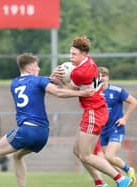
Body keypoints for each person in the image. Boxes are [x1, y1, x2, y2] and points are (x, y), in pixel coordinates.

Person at [0, 53, 94, 187]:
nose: (38, 69)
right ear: (29, 67)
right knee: (17, 156)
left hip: (27, 130)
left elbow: (40, 83)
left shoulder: (14, 83)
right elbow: (58, 92)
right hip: (43, 134)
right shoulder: (39, 81)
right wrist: (81, 92)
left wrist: (53, 78)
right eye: (36, 66)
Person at [51, 35, 131, 187]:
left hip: (94, 112)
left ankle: (121, 179)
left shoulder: (79, 73)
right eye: (70, 53)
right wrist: (61, 81)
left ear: (84, 54)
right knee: (78, 151)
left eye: (74, 54)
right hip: (96, 109)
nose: (71, 57)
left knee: (86, 155)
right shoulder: (91, 63)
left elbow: (69, 92)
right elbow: (77, 88)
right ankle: (100, 182)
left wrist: (59, 81)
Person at [98, 67, 137, 186]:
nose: (101, 78)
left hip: (116, 128)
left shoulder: (117, 90)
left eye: (103, 75)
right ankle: (123, 181)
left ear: (108, 77)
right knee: (108, 162)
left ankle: (129, 170)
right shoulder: (94, 92)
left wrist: (124, 118)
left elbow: (134, 102)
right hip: (102, 130)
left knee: (109, 156)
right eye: (98, 76)